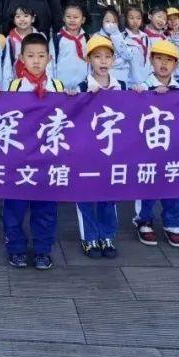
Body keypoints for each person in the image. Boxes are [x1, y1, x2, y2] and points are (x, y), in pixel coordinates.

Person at [3, 33, 65, 270]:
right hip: (19, 158)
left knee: (46, 208)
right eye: (30, 56)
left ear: (49, 58)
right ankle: (16, 248)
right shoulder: (14, 86)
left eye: (41, 56)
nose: (36, 61)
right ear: (21, 58)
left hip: (48, 159)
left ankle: (42, 249)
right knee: (14, 207)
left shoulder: (57, 86)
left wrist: (72, 98)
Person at [133, 39, 179, 247]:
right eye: (159, 59)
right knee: (147, 183)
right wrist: (142, 95)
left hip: (174, 147)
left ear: (176, 65)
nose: (163, 64)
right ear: (150, 61)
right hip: (148, 147)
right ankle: (143, 220)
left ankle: (172, 223)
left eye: (169, 61)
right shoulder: (141, 88)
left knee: (173, 183)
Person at [75, 35, 123, 258]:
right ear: (88, 60)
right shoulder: (82, 86)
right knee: (84, 194)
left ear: (113, 60)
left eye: (107, 57)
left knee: (109, 195)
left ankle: (107, 235)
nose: (102, 62)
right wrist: (78, 98)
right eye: (97, 57)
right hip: (87, 152)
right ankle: (89, 237)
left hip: (112, 152)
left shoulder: (121, 86)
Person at [53, 2, 89, 90]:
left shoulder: (86, 38)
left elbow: (90, 62)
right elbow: (51, 63)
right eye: (68, 17)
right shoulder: (57, 38)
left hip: (82, 86)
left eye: (76, 17)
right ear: (63, 18)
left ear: (83, 20)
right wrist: (54, 84)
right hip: (61, 86)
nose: (72, 20)